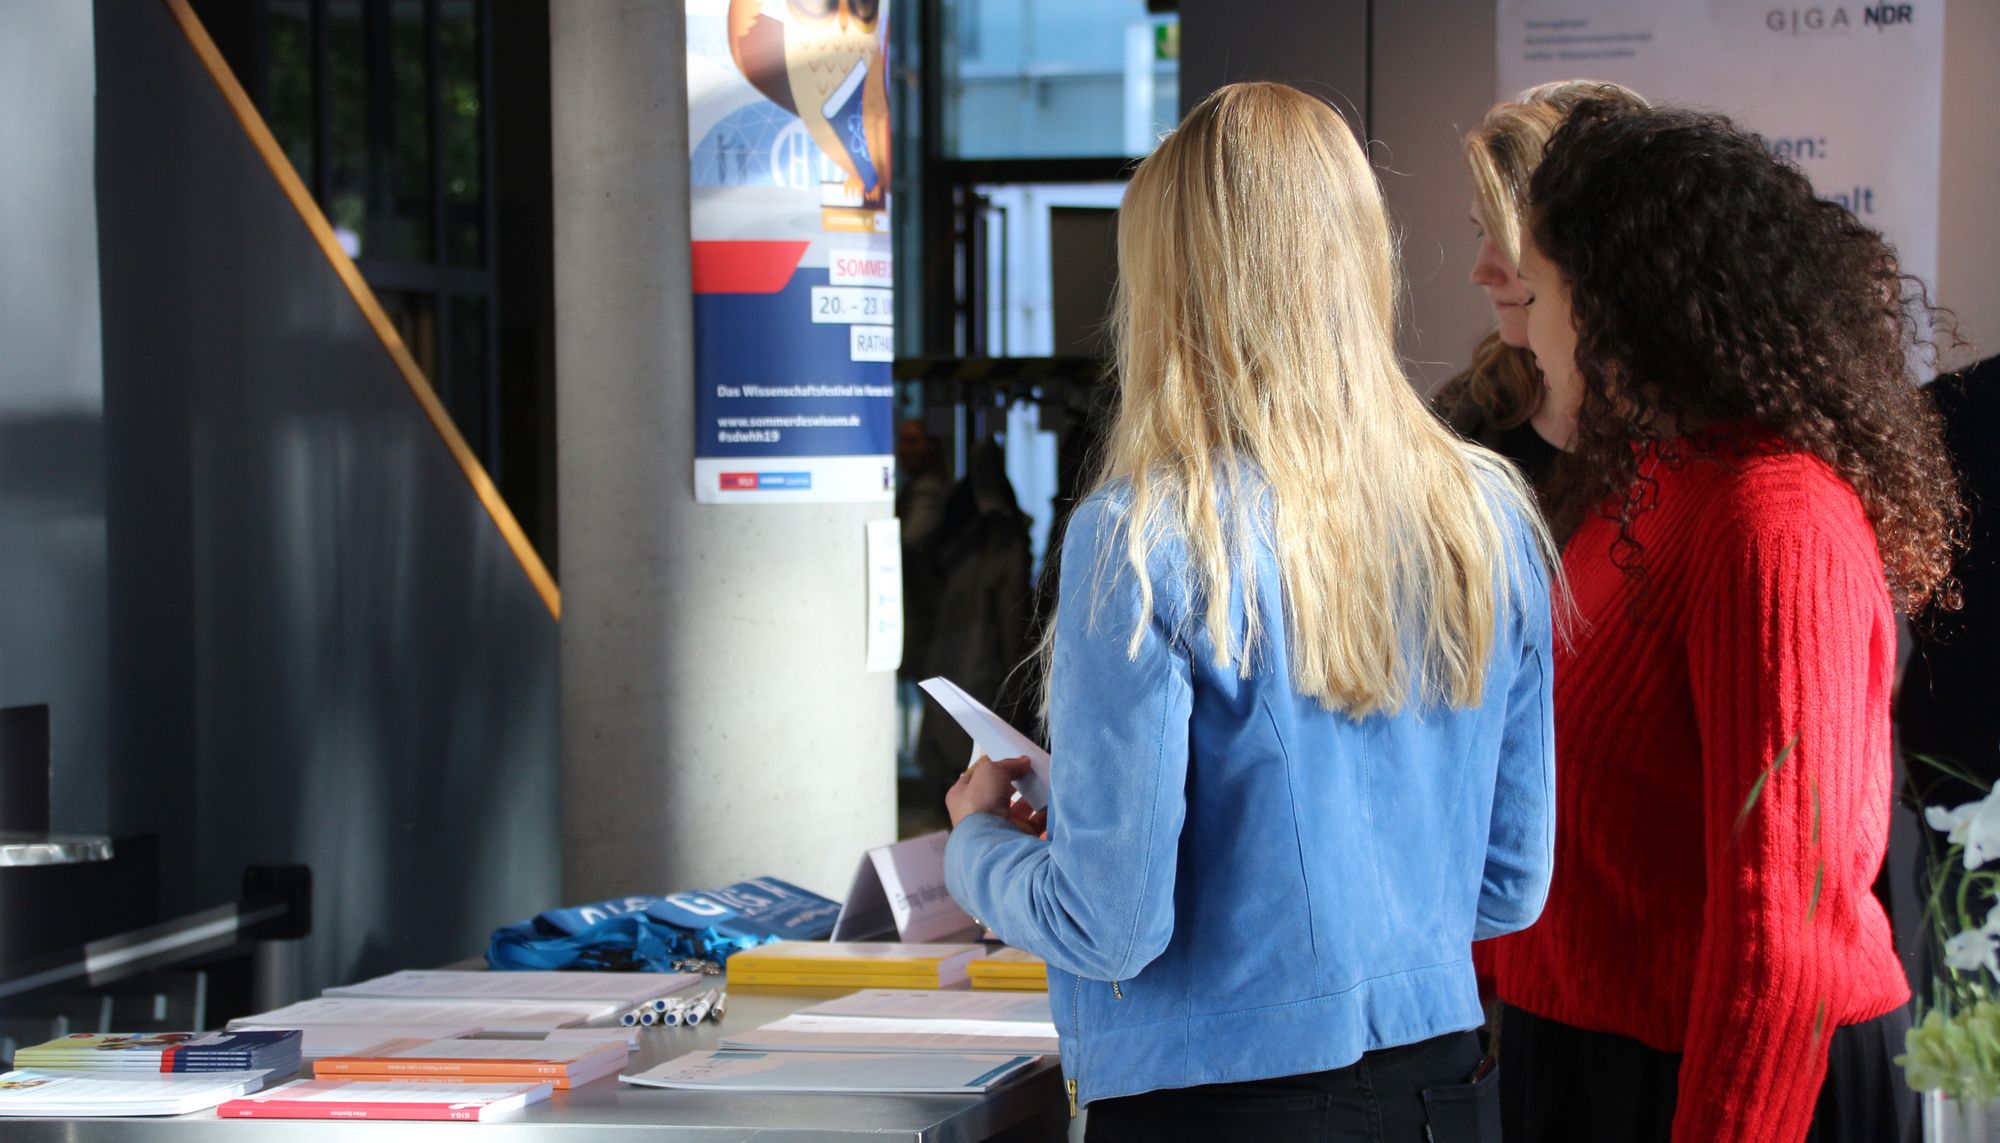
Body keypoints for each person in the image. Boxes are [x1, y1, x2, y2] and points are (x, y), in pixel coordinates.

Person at [941, 81, 1558, 1142]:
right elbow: (1506, 889)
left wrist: (977, 845)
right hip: (1443, 1088)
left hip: (1221, 1106)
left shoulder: (1143, 536)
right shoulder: (1487, 514)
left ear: (1164, 286)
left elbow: (1110, 925)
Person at [1487, 99, 1961, 1143]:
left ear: (1619, 307)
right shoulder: (1647, 482)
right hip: (1597, 1057)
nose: (1522, 313)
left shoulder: (1770, 520)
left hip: (1722, 1083)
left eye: (1539, 286)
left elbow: (1782, 929)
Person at [1432, 80, 1648, 491]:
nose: (1481, 273)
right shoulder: (1463, 414)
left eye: (1510, 239)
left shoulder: (1692, 451)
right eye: (1481, 232)